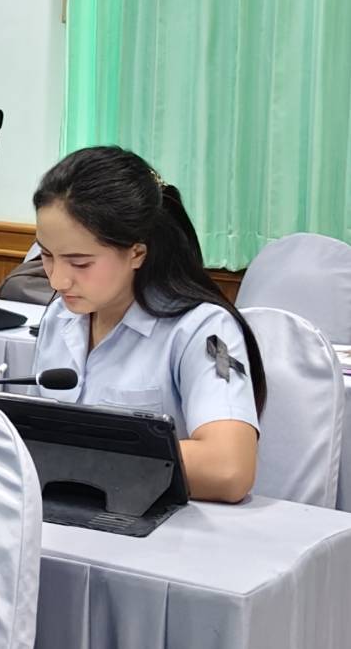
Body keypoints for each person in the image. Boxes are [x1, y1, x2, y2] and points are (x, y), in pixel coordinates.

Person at [31, 146, 266, 503]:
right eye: (47, 256)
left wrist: (76, 450)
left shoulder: (204, 330)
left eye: (80, 263)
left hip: (164, 527)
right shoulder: (60, 317)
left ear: (137, 253)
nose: (57, 280)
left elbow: (229, 468)